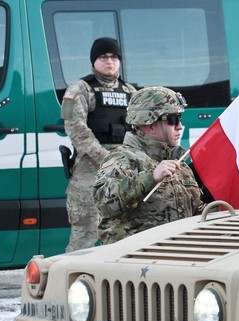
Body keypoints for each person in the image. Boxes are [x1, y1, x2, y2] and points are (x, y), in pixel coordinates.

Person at [93, 86, 203, 245]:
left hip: (178, 253)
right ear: (151, 126)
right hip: (136, 255)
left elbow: (198, 212)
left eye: (180, 118)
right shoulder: (122, 159)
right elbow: (103, 203)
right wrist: (150, 178)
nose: (180, 126)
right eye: (173, 119)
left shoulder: (179, 163)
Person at [62, 37, 136, 252]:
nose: (109, 61)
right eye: (103, 57)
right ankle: (72, 273)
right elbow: (77, 130)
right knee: (84, 235)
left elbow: (141, 131)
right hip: (90, 173)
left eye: (114, 57)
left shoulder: (130, 92)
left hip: (123, 171)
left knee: (124, 234)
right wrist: (107, 159)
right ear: (93, 61)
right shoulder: (79, 90)